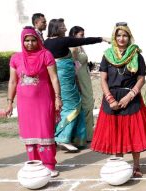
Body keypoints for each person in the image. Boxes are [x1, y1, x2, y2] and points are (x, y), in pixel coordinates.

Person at [92, 22, 146, 177]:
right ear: (115, 37)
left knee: (134, 132)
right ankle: (119, 166)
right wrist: (110, 99)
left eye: (125, 35)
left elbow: (141, 79)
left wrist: (129, 96)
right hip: (111, 98)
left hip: (131, 98)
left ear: (129, 37)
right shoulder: (107, 55)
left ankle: (136, 166)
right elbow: (103, 79)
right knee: (115, 132)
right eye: (119, 35)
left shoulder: (136, 55)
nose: (122, 38)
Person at [5, 26, 62, 177]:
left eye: (33, 40)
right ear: (22, 41)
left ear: (38, 40)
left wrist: (58, 98)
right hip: (25, 104)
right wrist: (9, 102)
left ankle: (49, 165)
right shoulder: (16, 58)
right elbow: (12, 81)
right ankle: (36, 165)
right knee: (29, 133)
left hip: (44, 101)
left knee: (44, 131)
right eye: (26, 40)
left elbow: (54, 78)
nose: (30, 43)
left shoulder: (46, 55)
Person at [44, 18, 107, 152]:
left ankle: (77, 138)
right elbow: (84, 41)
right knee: (72, 107)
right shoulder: (62, 41)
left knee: (71, 106)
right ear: (56, 28)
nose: (66, 29)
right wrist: (102, 38)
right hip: (64, 80)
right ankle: (62, 137)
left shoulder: (46, 42)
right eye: (63, 27)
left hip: (57, 78)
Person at [69, 26, 96, 142]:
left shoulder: (80, 47)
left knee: (88, 105)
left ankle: (88, 134)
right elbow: (73, 65)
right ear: (74, 35)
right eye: (81, 35)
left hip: (85, 77)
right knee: (84, 106)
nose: (83, 37)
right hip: (79, 79)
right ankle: (81, 136)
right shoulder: (72, 47)